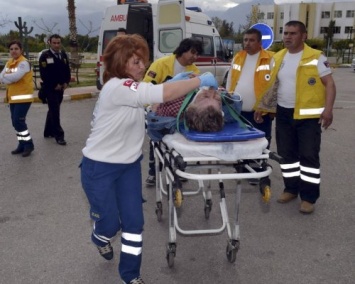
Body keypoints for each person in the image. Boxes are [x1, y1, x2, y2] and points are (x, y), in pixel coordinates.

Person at [79, 34, 217, 284]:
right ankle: (100, 236)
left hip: (129, 167)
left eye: (142, 60)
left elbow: (150, 102)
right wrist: (198, 80)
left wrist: (173, 84)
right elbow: (157, 94)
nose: (143, 66)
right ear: (120, 64)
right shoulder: (118, 87)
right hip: (100, 168)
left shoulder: (129, 88)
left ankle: (131, 276)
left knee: (134, 224)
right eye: (135, 62)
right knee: (110, 225)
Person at [254, 21, 336, 214]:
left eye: (293, 33)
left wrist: (328, 110)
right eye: (285, 33)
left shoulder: (316, 57)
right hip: (283, 114)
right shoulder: (278, 57)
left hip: (308, 117)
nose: (288, 37)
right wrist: (262, 106)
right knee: (287, 155)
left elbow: (330, 84)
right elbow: (273, 86)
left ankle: (308, 197)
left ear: (304, 36)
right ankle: (291, 189)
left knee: (308, 156)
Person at [143, 37, 203, 186]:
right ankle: (153, 173)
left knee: (180, 143)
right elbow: (146, 87)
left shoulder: (194, 71)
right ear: (183, 50)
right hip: (160, 112)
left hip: (180, 113)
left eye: (197, 54)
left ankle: (179, 169)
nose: (195, 57)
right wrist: (151, 107)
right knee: (156, 142)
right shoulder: (161, 64)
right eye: (193, 53)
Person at [226, 28, 273, 147]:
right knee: (239, 144)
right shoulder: (238, 57)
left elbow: (273, 86)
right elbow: (230, 81)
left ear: (260, 43)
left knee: (260, 145)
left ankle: (258, 166)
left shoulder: (270, 59)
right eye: (245, 40)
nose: (247, 43)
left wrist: (267, 108)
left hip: (260, 114)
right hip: (238, 112)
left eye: (251, 40)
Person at [0, 40, 35, 157]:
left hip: (23, 98)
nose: (13, 51)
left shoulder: (24, 63)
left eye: (16, 49)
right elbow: (1, 76)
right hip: (13, 98)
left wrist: (5, 77)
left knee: (18, 122)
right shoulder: (9, 62)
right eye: (11, 49)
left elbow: (16, 77)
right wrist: (5, 77)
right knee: (15, 123)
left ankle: (28, 144)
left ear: (21, 50)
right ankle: (22, 144)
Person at [39, 34, 71, 146]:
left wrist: (66, 82)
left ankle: (48, 131)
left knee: (53, 110)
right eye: (54, 43)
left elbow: (67, 69)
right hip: (50, 89)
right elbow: (44, 74)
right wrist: (54, 84)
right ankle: (59, 136)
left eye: (58, 43)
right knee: (55, 111)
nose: (57, 45)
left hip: (61, 88)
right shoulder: (45, 56)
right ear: (50, 43)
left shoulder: (63, 54)